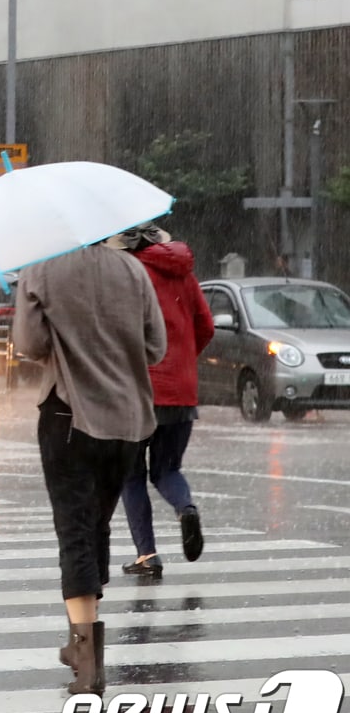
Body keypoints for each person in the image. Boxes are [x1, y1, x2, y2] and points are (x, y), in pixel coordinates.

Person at [12, 242, 166, 695]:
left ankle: (87, 655)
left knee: (75, 529)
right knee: (97, 524)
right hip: (127, 420)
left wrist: (68, 340)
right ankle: (81, 640)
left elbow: (29, 343)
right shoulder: (132, 270)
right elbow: (155, 347)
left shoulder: (39, 267)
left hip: (69, 416)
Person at [110, 223, 215, 578]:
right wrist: (183, 362)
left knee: (131, 475)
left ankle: (147, 555)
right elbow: (206, 326)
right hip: (181, 392)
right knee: (168, 469)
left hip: (137, 390)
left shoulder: (128, 274)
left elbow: (119, 332)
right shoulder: (184, 273)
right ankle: (185, 508)